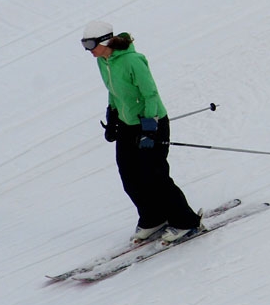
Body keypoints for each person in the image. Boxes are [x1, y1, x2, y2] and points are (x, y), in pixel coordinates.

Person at [82, 20, 203, 244]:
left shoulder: (133, 61)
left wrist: (149, 129)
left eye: (90, 45)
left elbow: (150, 94)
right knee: (129, 175)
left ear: (105, 40)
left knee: (154, 175)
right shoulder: (103, 61)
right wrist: (112, 118)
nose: (88, 51)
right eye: (84, 45)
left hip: (152, 121)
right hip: (127, 124)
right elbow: (113, 92)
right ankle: (153, 218)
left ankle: (186, 222)